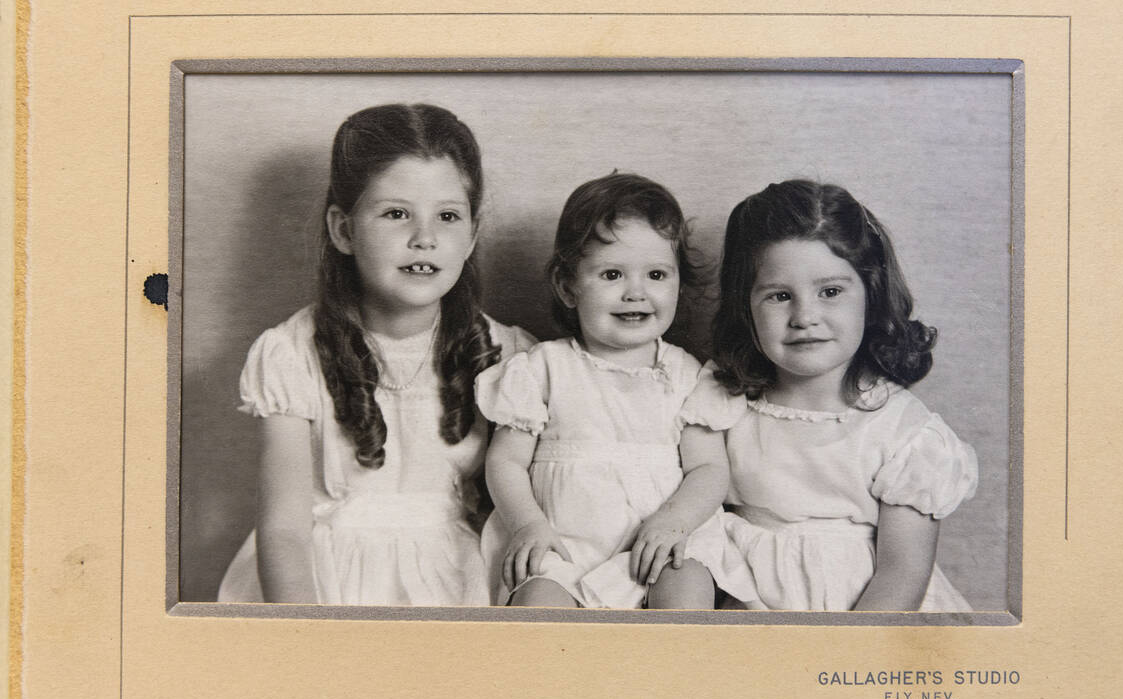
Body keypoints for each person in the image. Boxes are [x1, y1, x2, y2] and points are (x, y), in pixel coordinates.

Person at [218, 103, 533, 606]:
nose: (424, 238)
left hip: (457, 576)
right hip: (323, 579)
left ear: (472, 234)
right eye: (396, 213)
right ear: (344, 230)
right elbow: (284, 530)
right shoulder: (290, 354)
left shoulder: (511, 356)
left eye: (448, 216)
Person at [682, 179, 978, 611]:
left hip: (864, 623)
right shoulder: (724, 404)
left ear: (870, 296)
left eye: (831, 292)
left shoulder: (904, 432)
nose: (805, 316)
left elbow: (903, 573)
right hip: (748, 612)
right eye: (779, 296)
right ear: (744, 308)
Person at [477, 173, 751, 609]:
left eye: (657, 274)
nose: (636, 292)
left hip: (661, 544)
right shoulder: (542, 368)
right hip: (564, 544)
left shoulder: (686, 374)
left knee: (688, 589)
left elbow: (709, 469)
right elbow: (506, 460)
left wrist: (675, 522)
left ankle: (677, 676)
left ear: (679, 282)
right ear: (569, 287)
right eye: (611, 274)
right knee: (538, 607)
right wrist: (528, 524)